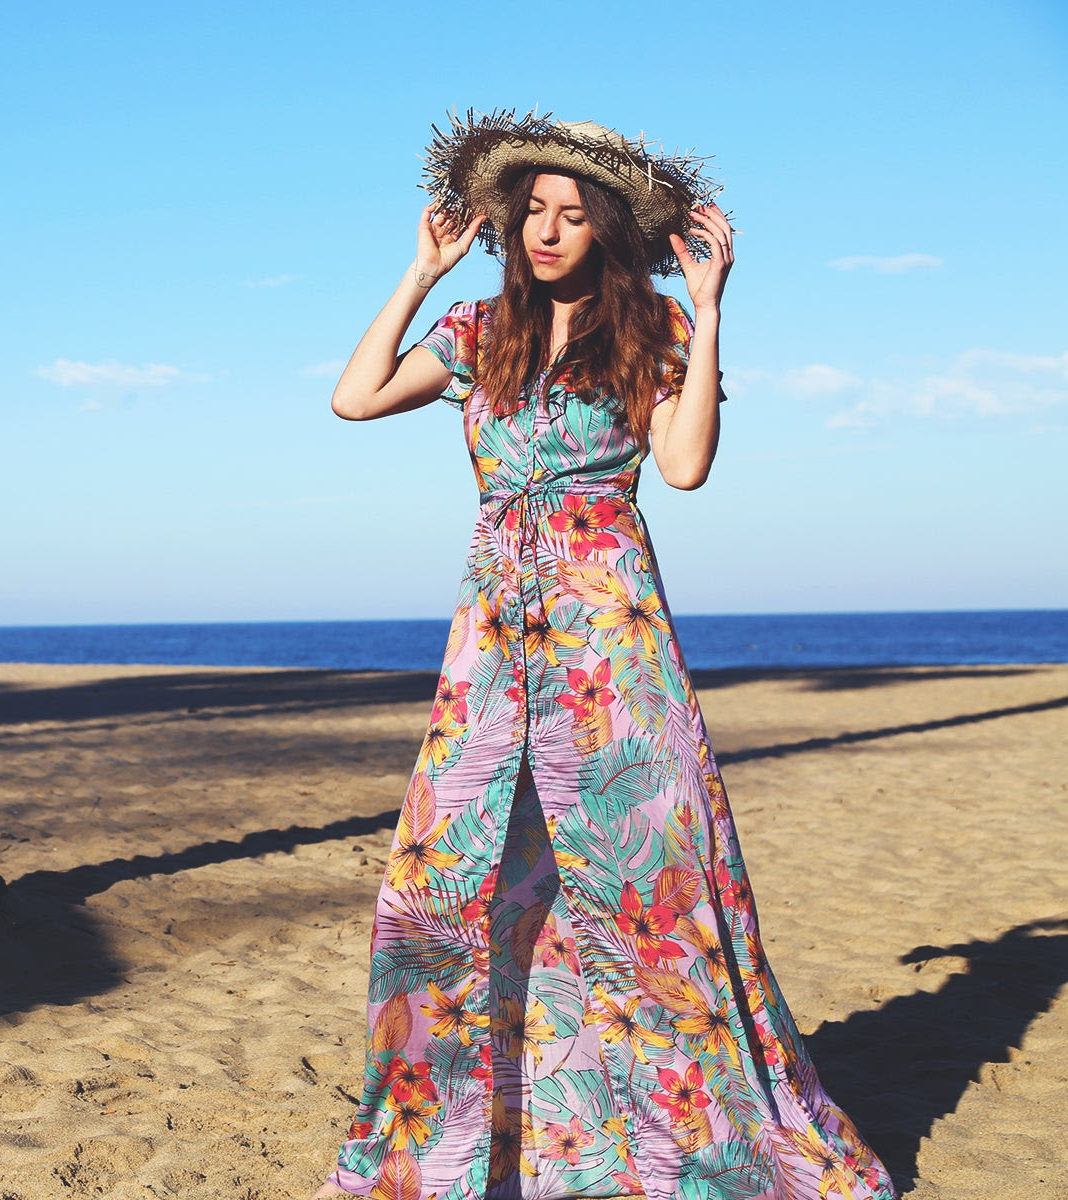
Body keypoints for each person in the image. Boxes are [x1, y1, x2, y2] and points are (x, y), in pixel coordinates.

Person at [310, 112, 895, 1200]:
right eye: (532, 209)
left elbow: (683, 469)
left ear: (608, 230)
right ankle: (460, 1144)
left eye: (572, 214)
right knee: (447, 876)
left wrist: (712, 315)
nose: (546, 229)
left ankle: (683, 1142)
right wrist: (419, 268)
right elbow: (354, 398)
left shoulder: (656, 331)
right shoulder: (476, 327)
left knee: (647, 881)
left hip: (612, 639)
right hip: (492, 642)